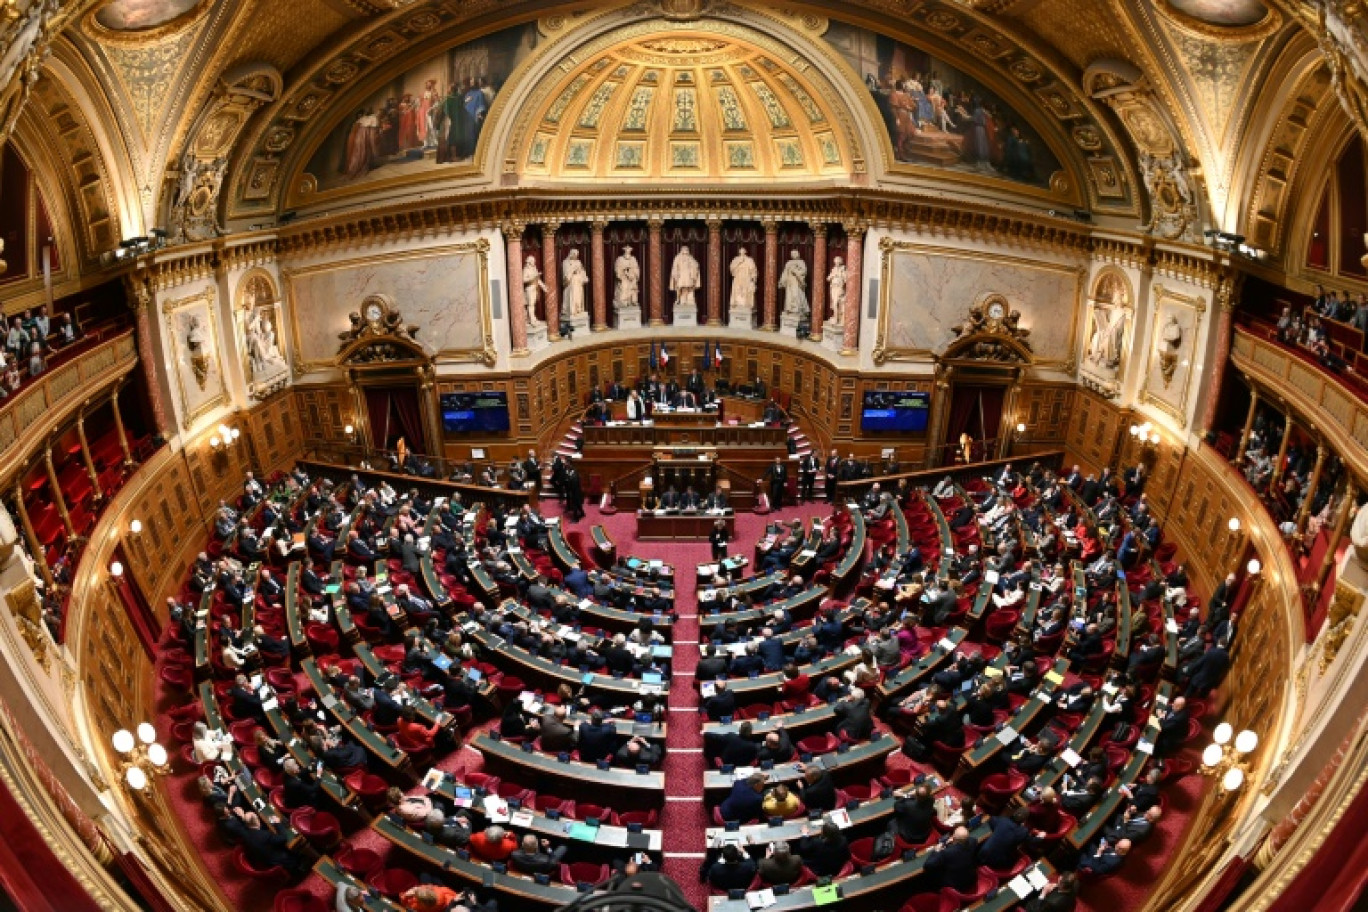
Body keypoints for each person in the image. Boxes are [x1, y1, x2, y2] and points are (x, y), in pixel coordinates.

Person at [923, 826, 978, 892]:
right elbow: (969, 839)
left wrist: (936, 851)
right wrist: (953, 842)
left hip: (954, 887)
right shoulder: (973, 842)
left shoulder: (946, 853)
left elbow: (927, 866)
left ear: (953, 837)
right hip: (970, 880)